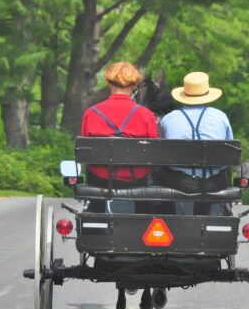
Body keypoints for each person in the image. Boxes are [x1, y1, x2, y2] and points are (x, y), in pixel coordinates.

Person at [81, 62, 157, 213]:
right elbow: (153, 152)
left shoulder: (91, 113)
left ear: (109, 84)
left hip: (100, 179)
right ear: (134, 86)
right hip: (137, 180)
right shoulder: (146, 115)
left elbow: (85, 150)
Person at [160, 71, 233, 215]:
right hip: (215, 183)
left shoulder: (168, 119)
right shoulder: (220, 117)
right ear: (207, 95)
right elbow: (230, 153)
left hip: (179, 183)